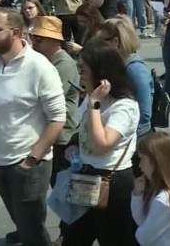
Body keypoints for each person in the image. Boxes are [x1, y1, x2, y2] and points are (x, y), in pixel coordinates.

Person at [0, 9, 65, 246]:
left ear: (16, 32)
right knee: (21, 221)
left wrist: (32, 158)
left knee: (32, 230)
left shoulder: (40, 67)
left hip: (27, 163)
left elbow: (58, 117)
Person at [62, 39, 139, 245]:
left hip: (112, 183)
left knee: (113, 239)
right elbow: (83, 126)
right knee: (74, 237)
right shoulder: (92, 96)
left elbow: (103, 144)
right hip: (85, 176)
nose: (81, 76)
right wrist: (75, 143)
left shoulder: (124, 106)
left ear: (101, 72)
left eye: (83, 70)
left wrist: (94, 104)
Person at [28, 15, 79, 245]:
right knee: (59, 187)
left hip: (62, 135)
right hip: (54, 134)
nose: (34, 43)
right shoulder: (48, 61)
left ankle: (69, 232)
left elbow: (46, 98)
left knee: (64, 188)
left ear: (53, 41)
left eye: (39, 39)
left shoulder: (63, 64)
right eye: (33, 38)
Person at [95, 17, 154, 144]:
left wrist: (122, 140)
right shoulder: (116, 65)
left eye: (102, 41)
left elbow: (145, 115)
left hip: (134, 141)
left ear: (115, 41)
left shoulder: (135, 70)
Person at [132, 132, 170, 246]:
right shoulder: (163, 191)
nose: (139, 165)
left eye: (143, 160)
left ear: (157, 163)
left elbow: (143, 237)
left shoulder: (163, 202)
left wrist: (141, 229)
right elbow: (140, 220)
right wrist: (137, 195)